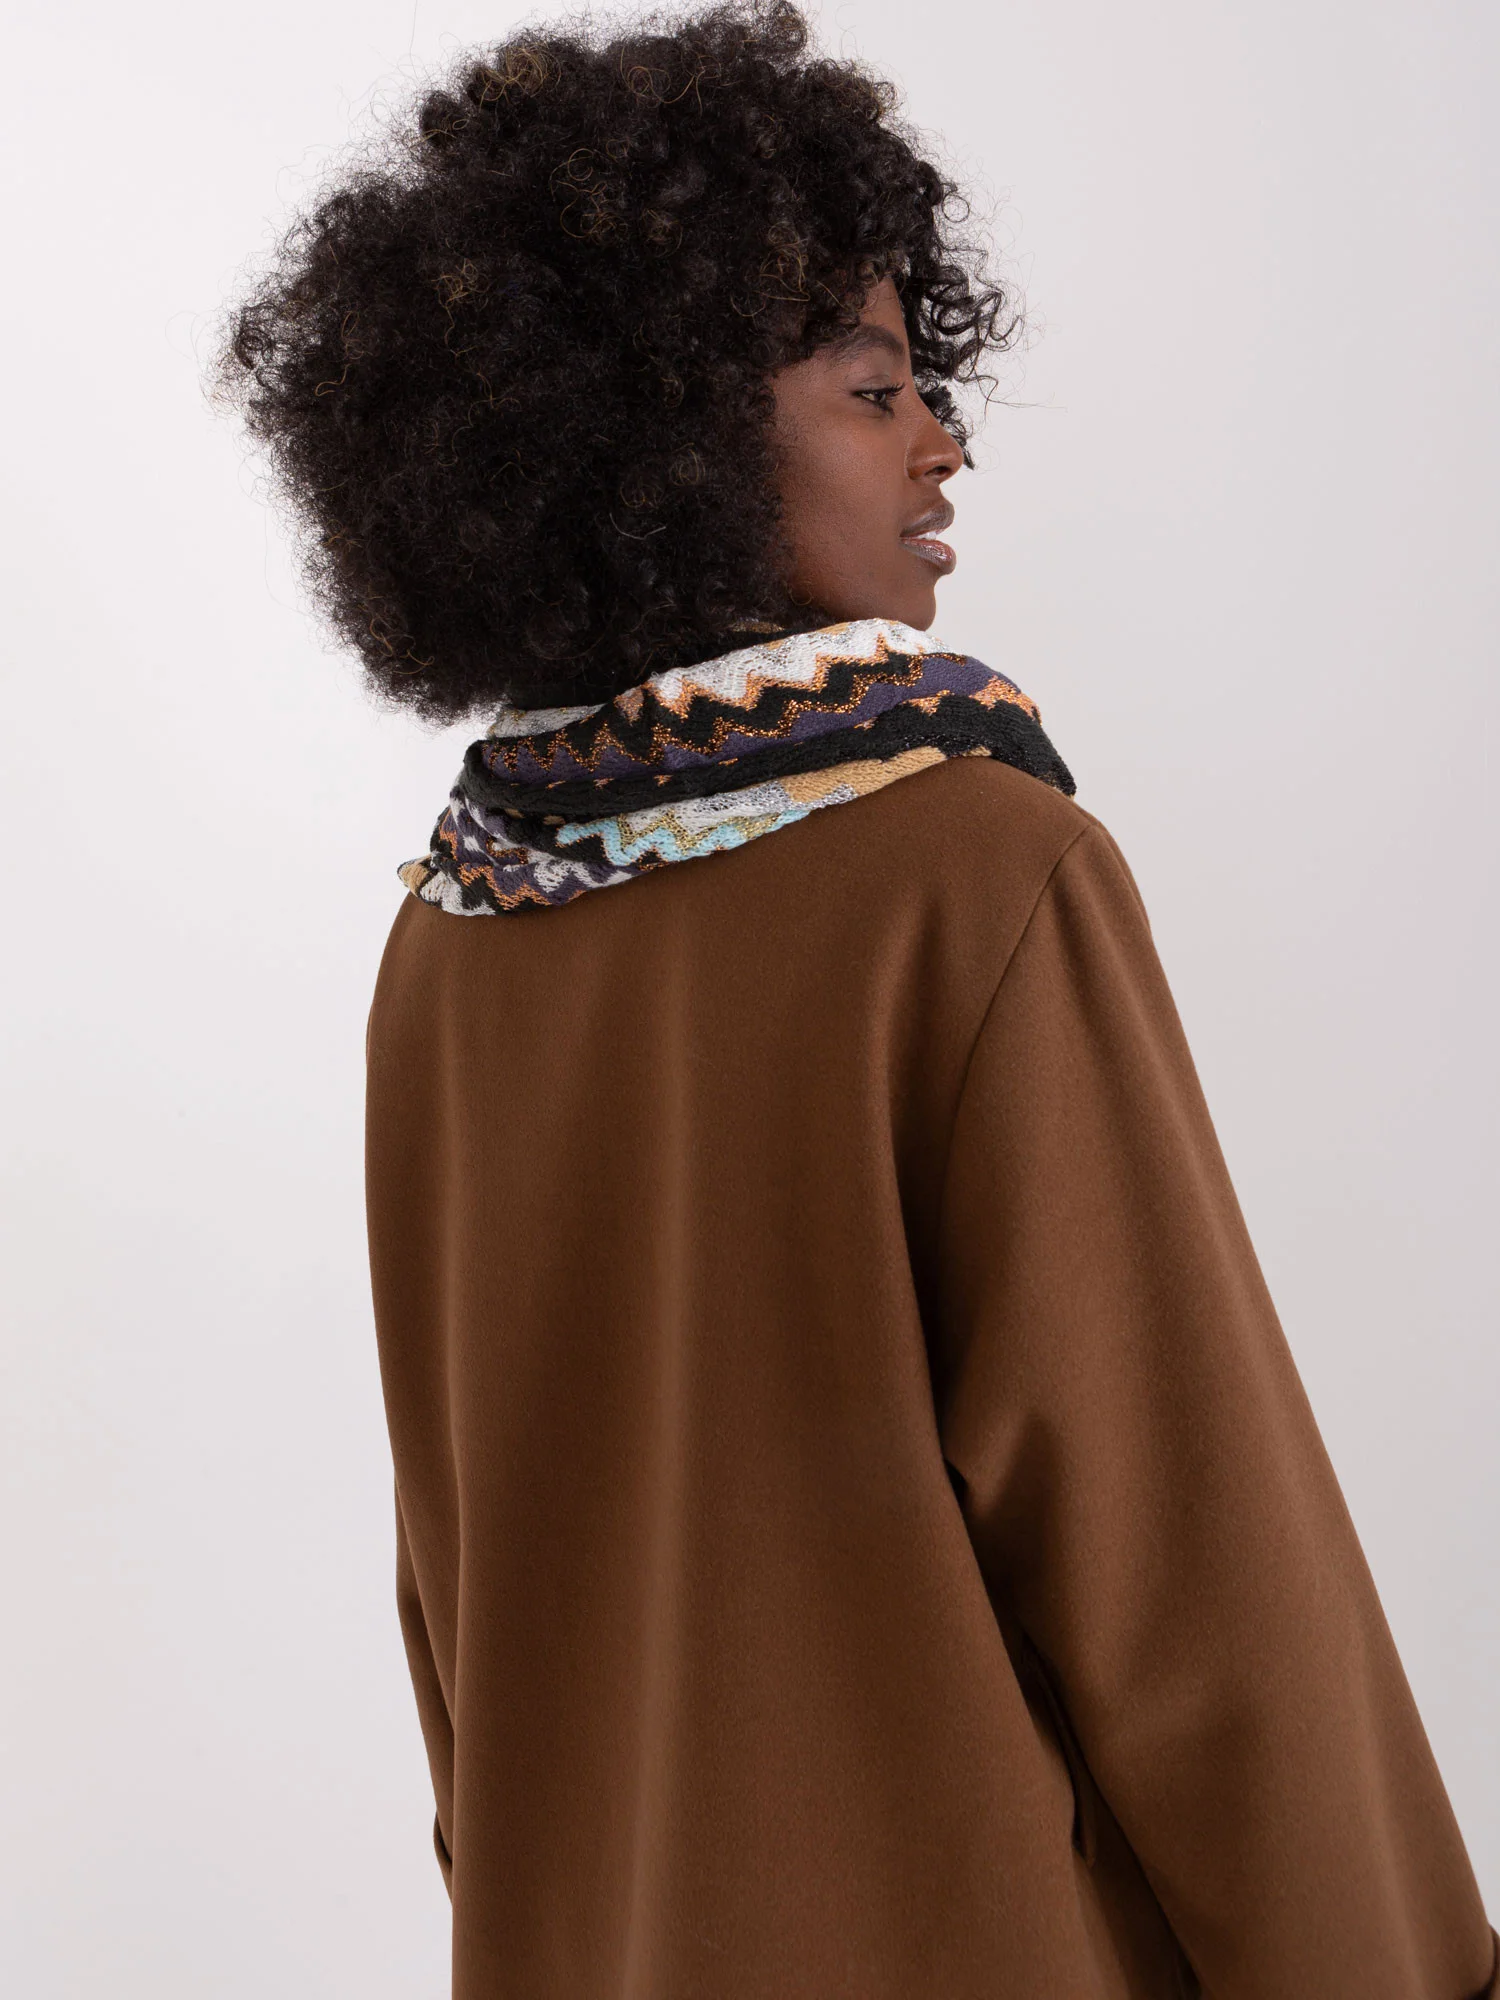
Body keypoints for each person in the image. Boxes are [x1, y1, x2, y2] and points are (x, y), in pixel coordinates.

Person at [215, 3, 1497, 1993]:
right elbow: (1194, 1570)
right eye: (873, 384)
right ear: (662, 441)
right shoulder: (976, 874)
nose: (942, 438)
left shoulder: (454, 936)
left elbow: (458, 1610)